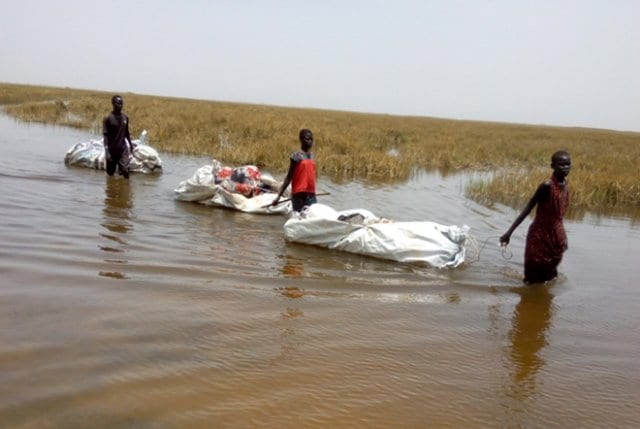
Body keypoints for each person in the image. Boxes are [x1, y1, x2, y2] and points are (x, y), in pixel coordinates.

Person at [500, 150, 571, 283]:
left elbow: (558, 216)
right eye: (561, 165)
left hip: (556, 238)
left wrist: (563, 237)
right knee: (531, 279)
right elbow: (527, 209)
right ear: (552, 166)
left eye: (568, 164)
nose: (566, 168)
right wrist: (508, 233)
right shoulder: (546, 186)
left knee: (551, 277)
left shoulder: (566, 185)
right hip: (539, 237)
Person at [272, 128, 317, 212]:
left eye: (311, 139)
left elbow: (311, 175)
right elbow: (289, 177)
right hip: (298, 194)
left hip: (311, 194)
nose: (309, 141)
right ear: (301, 140)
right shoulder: (296, 156)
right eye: (307, 139)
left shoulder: (312, 156)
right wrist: (278, 196)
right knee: (300, 217)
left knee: (313, 215)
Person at [103, 95, 135, 179]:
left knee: (125, 171)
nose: (120, 105)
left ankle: (125, 189)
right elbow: (105, 135)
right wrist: (107, 152)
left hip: (122, 150)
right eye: (118, 103)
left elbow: (127, 133)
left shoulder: (125, 118)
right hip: (111, 150)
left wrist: (131, 145)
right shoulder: (108, 118)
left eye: (121, 103)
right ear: (113, 103)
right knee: (110, 174)